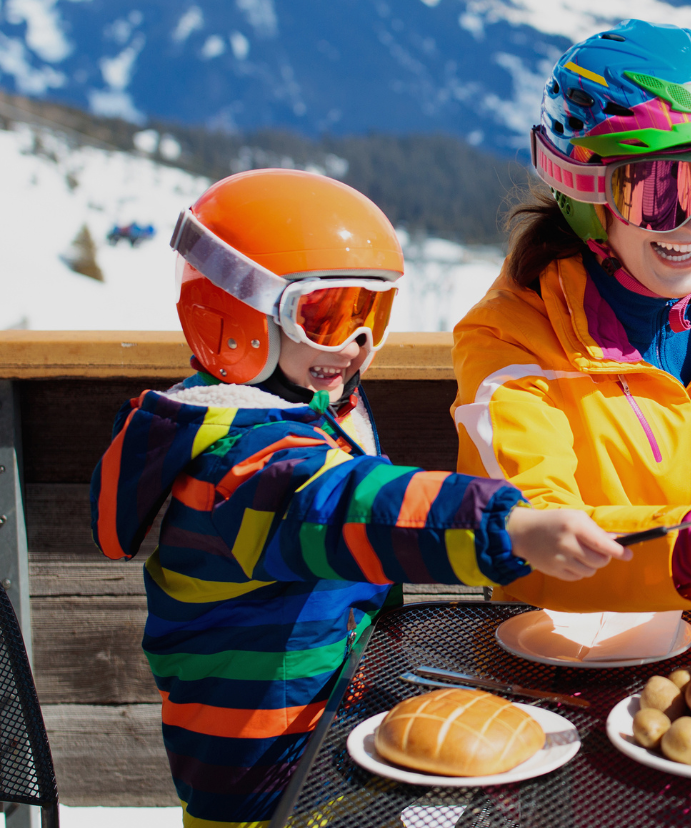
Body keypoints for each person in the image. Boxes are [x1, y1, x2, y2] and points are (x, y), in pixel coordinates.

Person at [89, 169, 622, 828]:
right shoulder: (240, 466)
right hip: (262, 792)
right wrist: (504, 525)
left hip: (322, 760)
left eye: (374, 313)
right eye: (327, 314)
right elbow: (347, 505)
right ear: (236, 315)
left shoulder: (305, 415)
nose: (357, 342)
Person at [451, 19, 691, 612]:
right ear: (586, 192)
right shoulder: (514, 339)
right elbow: (529, 531)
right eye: (659, 192)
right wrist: (689, 548)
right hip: (577, 657)